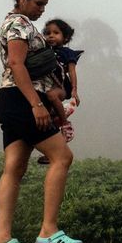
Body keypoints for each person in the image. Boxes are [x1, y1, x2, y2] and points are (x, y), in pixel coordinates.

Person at [0, 0, 84, 243]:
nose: (42, 10)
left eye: (44, 5)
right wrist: (36, 103)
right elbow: (17, 64)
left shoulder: (19, 24)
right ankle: (49, 230)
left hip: (10, 99)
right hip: (22, 99)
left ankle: (3, 238)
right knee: (62, 156)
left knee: (15, 166)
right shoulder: (18, 25)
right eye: (38, 4)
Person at [37, 18, 82, 164]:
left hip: (62, 87)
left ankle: (65, 123)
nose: (51, 36)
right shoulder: (44, 51)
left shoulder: (67, 53)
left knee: (52, 95)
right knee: (45, 121)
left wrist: (74, 90)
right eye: (48, 33)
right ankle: (50, 151)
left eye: (56, 33)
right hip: (46, 86)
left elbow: (72, 72)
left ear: (66, 37)